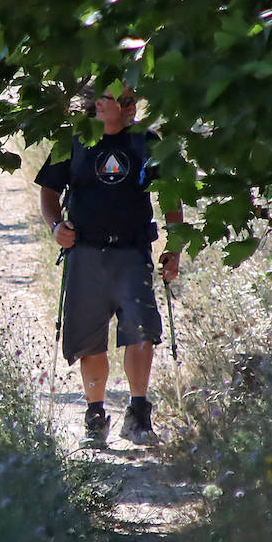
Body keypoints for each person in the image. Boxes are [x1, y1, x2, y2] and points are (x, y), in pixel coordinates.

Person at [35, 82, 182, 447]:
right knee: (89, 341)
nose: (129, 106)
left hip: (133, 253)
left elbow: (172, 194)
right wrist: (56, 228)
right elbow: (49, 192)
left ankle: (138, 414)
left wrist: (175, 247)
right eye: (117, 99)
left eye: (124, 99)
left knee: (142, 331)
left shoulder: (145, 143)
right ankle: (95, 416)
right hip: (85, 253)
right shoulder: (74, 141)